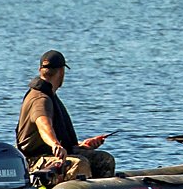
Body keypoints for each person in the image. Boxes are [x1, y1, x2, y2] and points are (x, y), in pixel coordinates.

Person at [17, 50, 115, 182]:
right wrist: (55, 144)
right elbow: (43, 124)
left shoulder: (49, 94)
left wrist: (81, 146)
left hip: (51, 154)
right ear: (61, 72)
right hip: (35, 161)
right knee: (79, 164)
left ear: (40, 69)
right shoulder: (40, 98)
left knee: (104, 160)